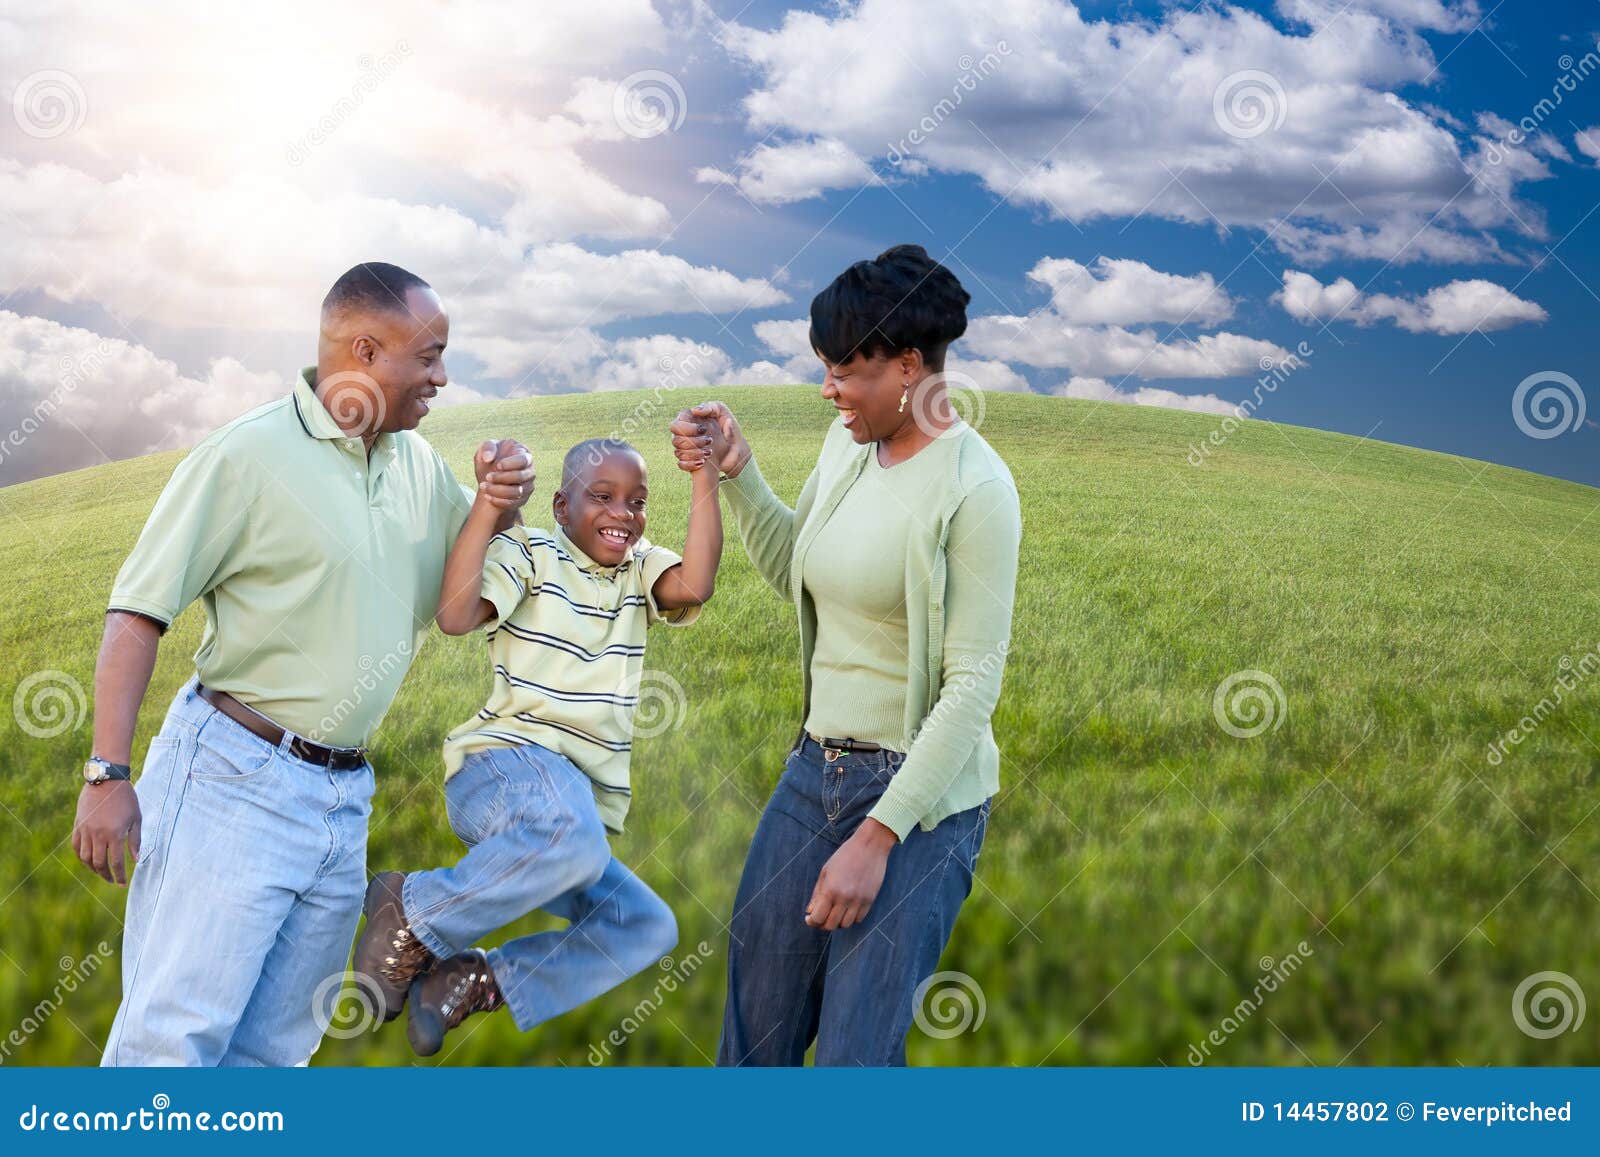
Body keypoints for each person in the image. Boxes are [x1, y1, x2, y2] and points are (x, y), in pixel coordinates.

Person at [71, 262, 536, 1066]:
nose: (441, 376)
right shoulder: (245, 456)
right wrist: (108, 774)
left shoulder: (416, 465)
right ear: (365, 349)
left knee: (275, 1055)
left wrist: (503, 499)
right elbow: (136, 613)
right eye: (428, 356)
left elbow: (466, 588)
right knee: (172, 1044)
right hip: (231, 777)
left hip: (342, 798)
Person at [671, 243, 1022, 1065]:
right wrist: (739, 472)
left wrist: (878, 836)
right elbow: (802, 566)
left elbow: (972, 688)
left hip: (918, 805)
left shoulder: (978, 488)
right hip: (811, 775)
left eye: (843, 372)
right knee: (752, 1046)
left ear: (908, 366)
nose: (828, 391)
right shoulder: (849, 446)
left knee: (852, 1063)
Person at [352, 436, 720, 1056]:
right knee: (575, 842)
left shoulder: (639, 569)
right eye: (601, 497)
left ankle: (473, 978)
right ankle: (411, 913)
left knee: (645, 925)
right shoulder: (531, 552)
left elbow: (697, 585)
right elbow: (455, 615)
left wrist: (705, 474)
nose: (622, 514)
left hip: (568, 811)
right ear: (560, 504)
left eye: (637, 501)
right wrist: (490, 506)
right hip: (504, 766)